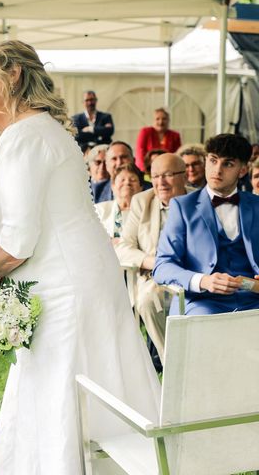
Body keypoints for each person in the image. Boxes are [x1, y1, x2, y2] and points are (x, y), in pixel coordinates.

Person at [0, 40, 159, 474]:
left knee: (66, 380)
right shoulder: (46, 130)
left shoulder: (25, 136)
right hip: (74, 274)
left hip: (64, 283)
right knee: (90, 375)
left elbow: (18, 238)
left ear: (14, 74)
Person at [154, 133, 259, 315]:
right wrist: (203, 281)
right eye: (213, 160)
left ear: (242, 170)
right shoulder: (183, 207)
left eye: (228, 164)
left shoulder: (256, 205)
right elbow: (162, 266)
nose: (217, 170)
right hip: (203, 301)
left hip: (253, 298)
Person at [115, 154, 189, 361]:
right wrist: (157, 263)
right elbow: (123, 248)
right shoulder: (142, 201)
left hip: (190, 276)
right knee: (147, 301)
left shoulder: (199, 201)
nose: (160, 182)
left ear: (184, 177)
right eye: (155, 176)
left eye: (167, 175)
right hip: (155, 278)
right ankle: (171, 362)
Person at [94, 163, 144, 242]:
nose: (127, 183)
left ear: (141, 187)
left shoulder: (144, 213)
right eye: (122, 180)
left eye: (132, 180)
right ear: (113, 186)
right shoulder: (99, 210)